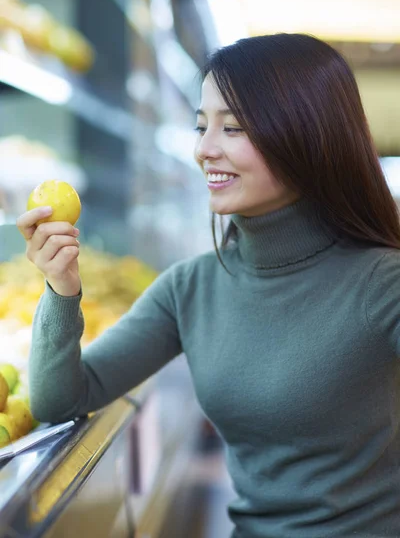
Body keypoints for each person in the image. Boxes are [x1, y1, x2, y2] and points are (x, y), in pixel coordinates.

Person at [17, 33, 400, 538]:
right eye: (201, 127)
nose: (204, 149)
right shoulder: (191, 287)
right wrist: (61, 290)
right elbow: (59, 400)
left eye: (233, 127)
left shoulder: (382, 284)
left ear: (307, 133)